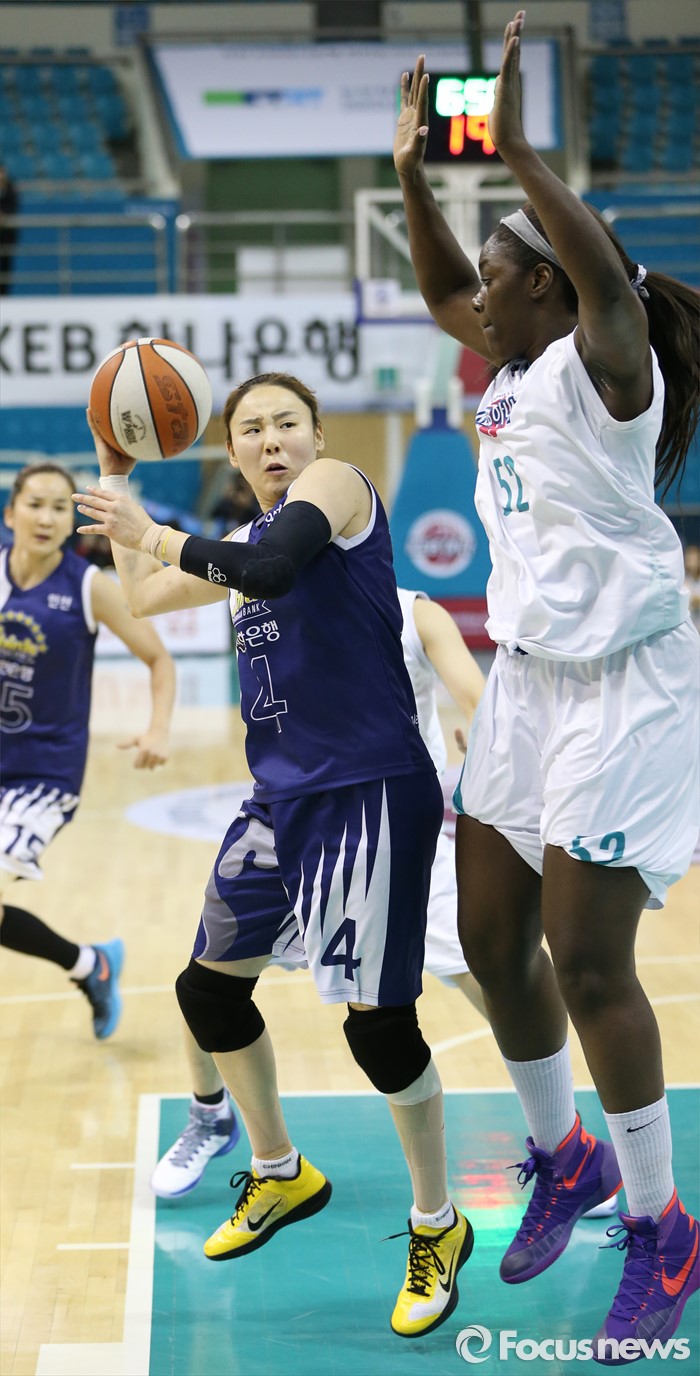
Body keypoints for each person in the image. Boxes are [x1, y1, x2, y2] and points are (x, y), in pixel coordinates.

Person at [394, 12, 699, 1364]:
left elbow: (603, 286)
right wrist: (412, 174)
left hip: (627, 691)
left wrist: (516, 150)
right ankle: (561, 1153)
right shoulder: (510, 374)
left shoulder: (605, 367)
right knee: (484, 933)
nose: (474, 299)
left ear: (548, 287)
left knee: (586, 960)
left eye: (497, 278)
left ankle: (662, 1224)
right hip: (526, 683)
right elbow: (436, 287)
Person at [74, 374, 473, 1340]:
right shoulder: (245, 537)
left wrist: (153, 531)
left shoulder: (337, 488)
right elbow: (145, 594)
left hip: (370, 792)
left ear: (317, 434)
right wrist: (115, 473)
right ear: (232, 450)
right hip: (279, 799)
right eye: (249, 429)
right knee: (208, 995)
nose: (270, 440)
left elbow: (272, 571)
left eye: (286, 422)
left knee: (379, 1032)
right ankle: (279, 1168)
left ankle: (438, 1223)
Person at [149, 587, 490, 1200]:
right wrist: (128, 530)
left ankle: (559, 1143)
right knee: (209, 977)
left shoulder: (415, 612)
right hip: (299, 825)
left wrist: (487, 733)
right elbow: (148, 593)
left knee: (486, 986)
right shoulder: (264, 590)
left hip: (394, 832)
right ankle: (211, 1114)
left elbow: (476, 695)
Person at [0, 463, 175, 1039]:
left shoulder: (87, 586)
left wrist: (157, 729)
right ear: (11, 513)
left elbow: (159, 658)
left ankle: (88, 966)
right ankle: (88, 964)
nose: (47, 517)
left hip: (42, 778)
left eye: (60, 507)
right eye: (35, 504)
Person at [0, 162, 18, 296]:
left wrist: (3, 215)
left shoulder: (11, 189)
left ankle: (4, 295)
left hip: (7, 236)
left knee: (6, 265)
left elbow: (13, 208)